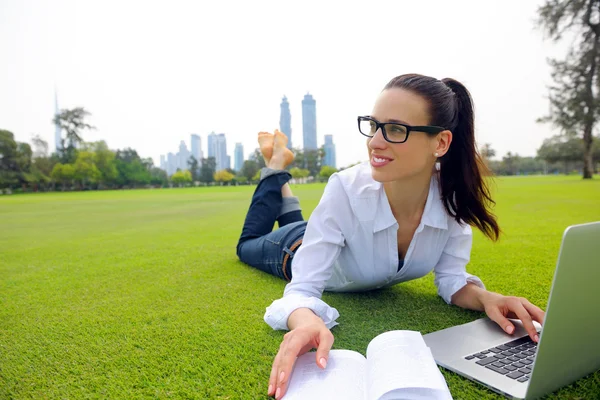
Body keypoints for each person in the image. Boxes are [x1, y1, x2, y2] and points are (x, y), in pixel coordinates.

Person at [236, 74, 546, 400]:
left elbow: (452, 281)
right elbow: (301, 289)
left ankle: (283, 185)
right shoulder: (346, 187)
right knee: (247, 244)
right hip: (293, 249)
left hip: (319, 233)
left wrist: (488, 298)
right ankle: (275, 167)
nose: (374, 142)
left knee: (303, 224)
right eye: (374, 125)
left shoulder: (451, 198)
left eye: (396, 130)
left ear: (440, 143)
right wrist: (304, 322)